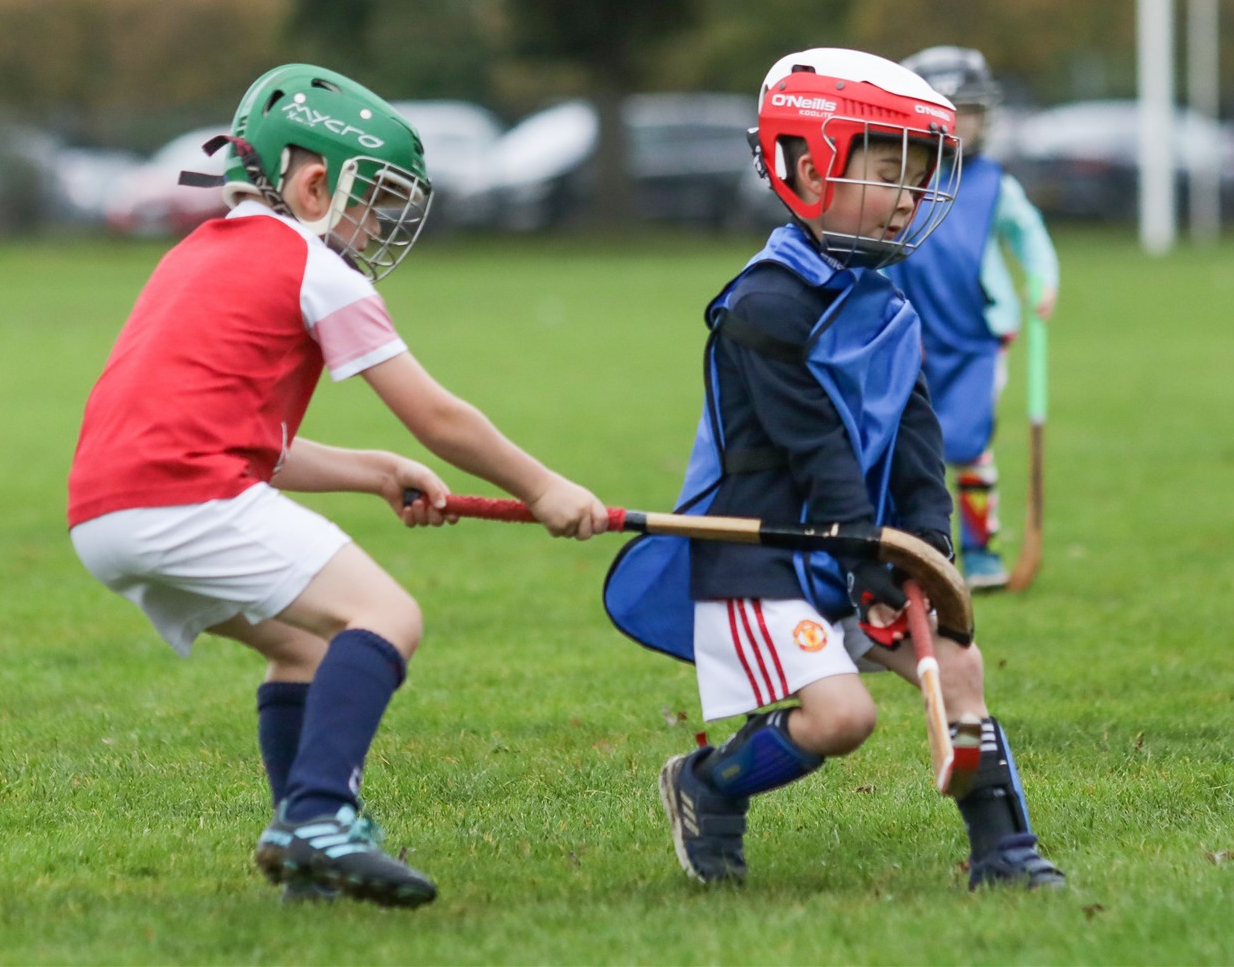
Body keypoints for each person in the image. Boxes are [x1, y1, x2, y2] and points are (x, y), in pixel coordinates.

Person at [66, 63, 609, 908]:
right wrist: (545, 488)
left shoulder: (195, 256)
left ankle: (307, 862)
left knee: (304, 648)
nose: (374, 228)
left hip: (105, 514)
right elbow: (438, 417)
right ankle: (319, 816)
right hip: (183, 497)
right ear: (314, 182)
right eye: (371, 203)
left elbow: (250, 442)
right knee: (388, 617)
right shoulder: (314, 267)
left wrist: (371, 472)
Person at [603, 48, 1064, 892]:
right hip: (764, 555)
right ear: (810, 168)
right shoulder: (765, 306)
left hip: (856, 544)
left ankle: (1007, 856)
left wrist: (926, 549)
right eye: (889, 172)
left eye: (919, 177)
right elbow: (817, 456)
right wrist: (870, 567)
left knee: (958, 664)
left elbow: (919, 440)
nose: (909, 199)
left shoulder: (884, 299)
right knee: (842, 717)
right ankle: (708, 786)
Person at [890, 46, 1059, 591]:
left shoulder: (992, 184)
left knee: (968, 443)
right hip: (908, 335)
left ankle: (982, 551)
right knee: (906, 446)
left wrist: (1042, 278)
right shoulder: (898, 178)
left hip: (978, 339)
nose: (967, 122)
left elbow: (1027, 233)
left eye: (974, 110)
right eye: (954, 109)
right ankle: (911, 549)